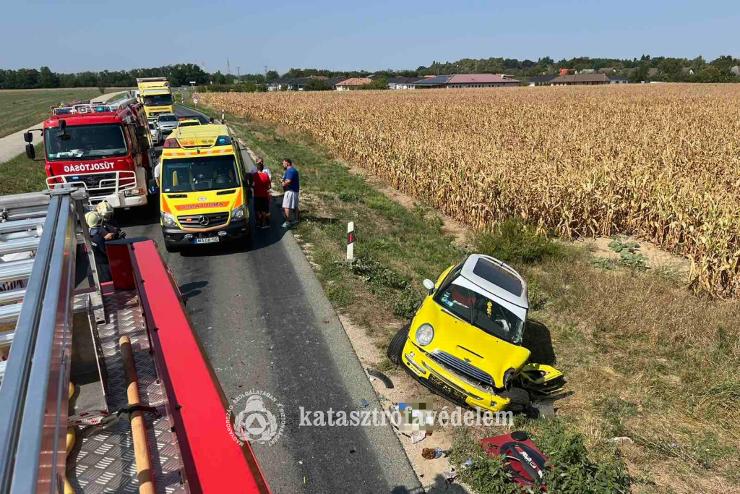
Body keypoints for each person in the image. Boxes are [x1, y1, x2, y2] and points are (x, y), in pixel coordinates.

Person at [86, 211, 113, 283]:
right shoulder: (99, 237)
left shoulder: (87, 235)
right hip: (103, 270)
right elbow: (106, 252)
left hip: (91, 268)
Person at [252, 158, 272, 229]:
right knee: (265, 210)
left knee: (257, 209)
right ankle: (264, 223)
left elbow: (252, 185)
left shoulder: (254, 175)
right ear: (263, 168)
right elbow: (269, 186)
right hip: (264, 195)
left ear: (257, 168)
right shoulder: (266, 175)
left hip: (256, 195)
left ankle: (258, 221)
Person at [281, 158, 299, 228]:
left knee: (287, 206)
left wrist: (283, 183)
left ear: (287, 163)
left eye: (283, 163)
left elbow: (288, 181)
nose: (282, 164)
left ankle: (288, 222)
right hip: (294, 191)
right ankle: (296, 219)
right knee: (295, 206)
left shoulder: (290, 171)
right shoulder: (293, 170)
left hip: (290, 191)